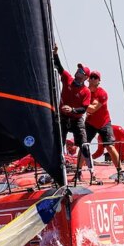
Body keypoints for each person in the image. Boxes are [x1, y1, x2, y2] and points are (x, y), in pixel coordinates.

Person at [52, 46, 95, 182]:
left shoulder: (86, 91)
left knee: (84, 145)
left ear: (85, 77)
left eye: (81, 70)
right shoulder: (68, 79)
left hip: (76, 119)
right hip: (63, 118)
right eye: (78, 69)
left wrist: (72, 110)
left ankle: (91, 173)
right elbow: (59, 67)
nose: (78, 71)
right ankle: (57, 172)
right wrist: (55, 54)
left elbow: (84, 108)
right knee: (59, 143)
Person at [84, 70, 124, 181]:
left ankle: (120, 171)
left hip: (104, 123)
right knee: (83, 146)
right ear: (88, 79)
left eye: (95, 77)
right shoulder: (85, 91)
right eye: (91, 77)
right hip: (90, 122)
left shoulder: (102, 93)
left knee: (110, 146)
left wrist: (79, 105)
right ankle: (78, 172)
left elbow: (93, 108)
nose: (92, 79)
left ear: (99, 81)